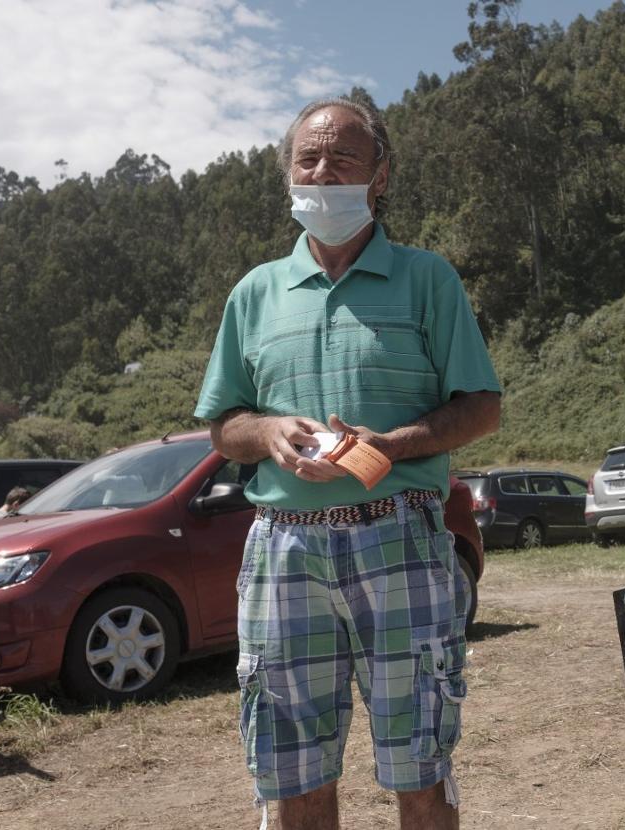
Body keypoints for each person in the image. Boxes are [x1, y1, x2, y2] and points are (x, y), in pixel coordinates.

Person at [194, 97, 501, 830]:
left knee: (419, 767)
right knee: (291, 773)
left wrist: (390, 446)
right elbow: (222, 427)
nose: (322, 171)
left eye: (343, 158)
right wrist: (265, 432)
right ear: (287, 174)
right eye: (308, 158)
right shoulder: (255, 293)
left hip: (400, 534)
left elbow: (481, 406)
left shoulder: (428, 280)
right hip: (284, 549)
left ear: (380, 175)